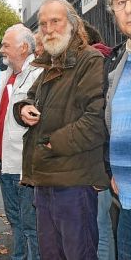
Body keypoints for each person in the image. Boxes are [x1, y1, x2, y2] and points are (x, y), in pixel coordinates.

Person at [14, 0, 108, 260]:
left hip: (74, 182)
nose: (48, 29)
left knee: (79, 253)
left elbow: (95, 120)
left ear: (73, 23)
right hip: (44, 180)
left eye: (55, 21)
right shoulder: (51, 65)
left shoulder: (90, 60)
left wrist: (51, 143)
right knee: (51, 255)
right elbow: (28, 98)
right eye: (43, 24)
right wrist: (23, 109)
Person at [0, 24, 42, 260]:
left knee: (31, 226)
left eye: (6, 45)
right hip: (5, 165)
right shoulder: (4, 77)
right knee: (16, 222)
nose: (2, 50)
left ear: (23, 47)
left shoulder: (40, 75)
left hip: (26, 168)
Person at [104, 0, 131, 260]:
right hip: (124, 198)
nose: (128, 10)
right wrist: (113, 170)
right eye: (121, 3)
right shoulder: (118, 60)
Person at [83, 20, 115, 260]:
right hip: (95, 159)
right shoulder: (107, 62)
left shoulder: (101, 65)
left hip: (98, 159)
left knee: (100, 227)